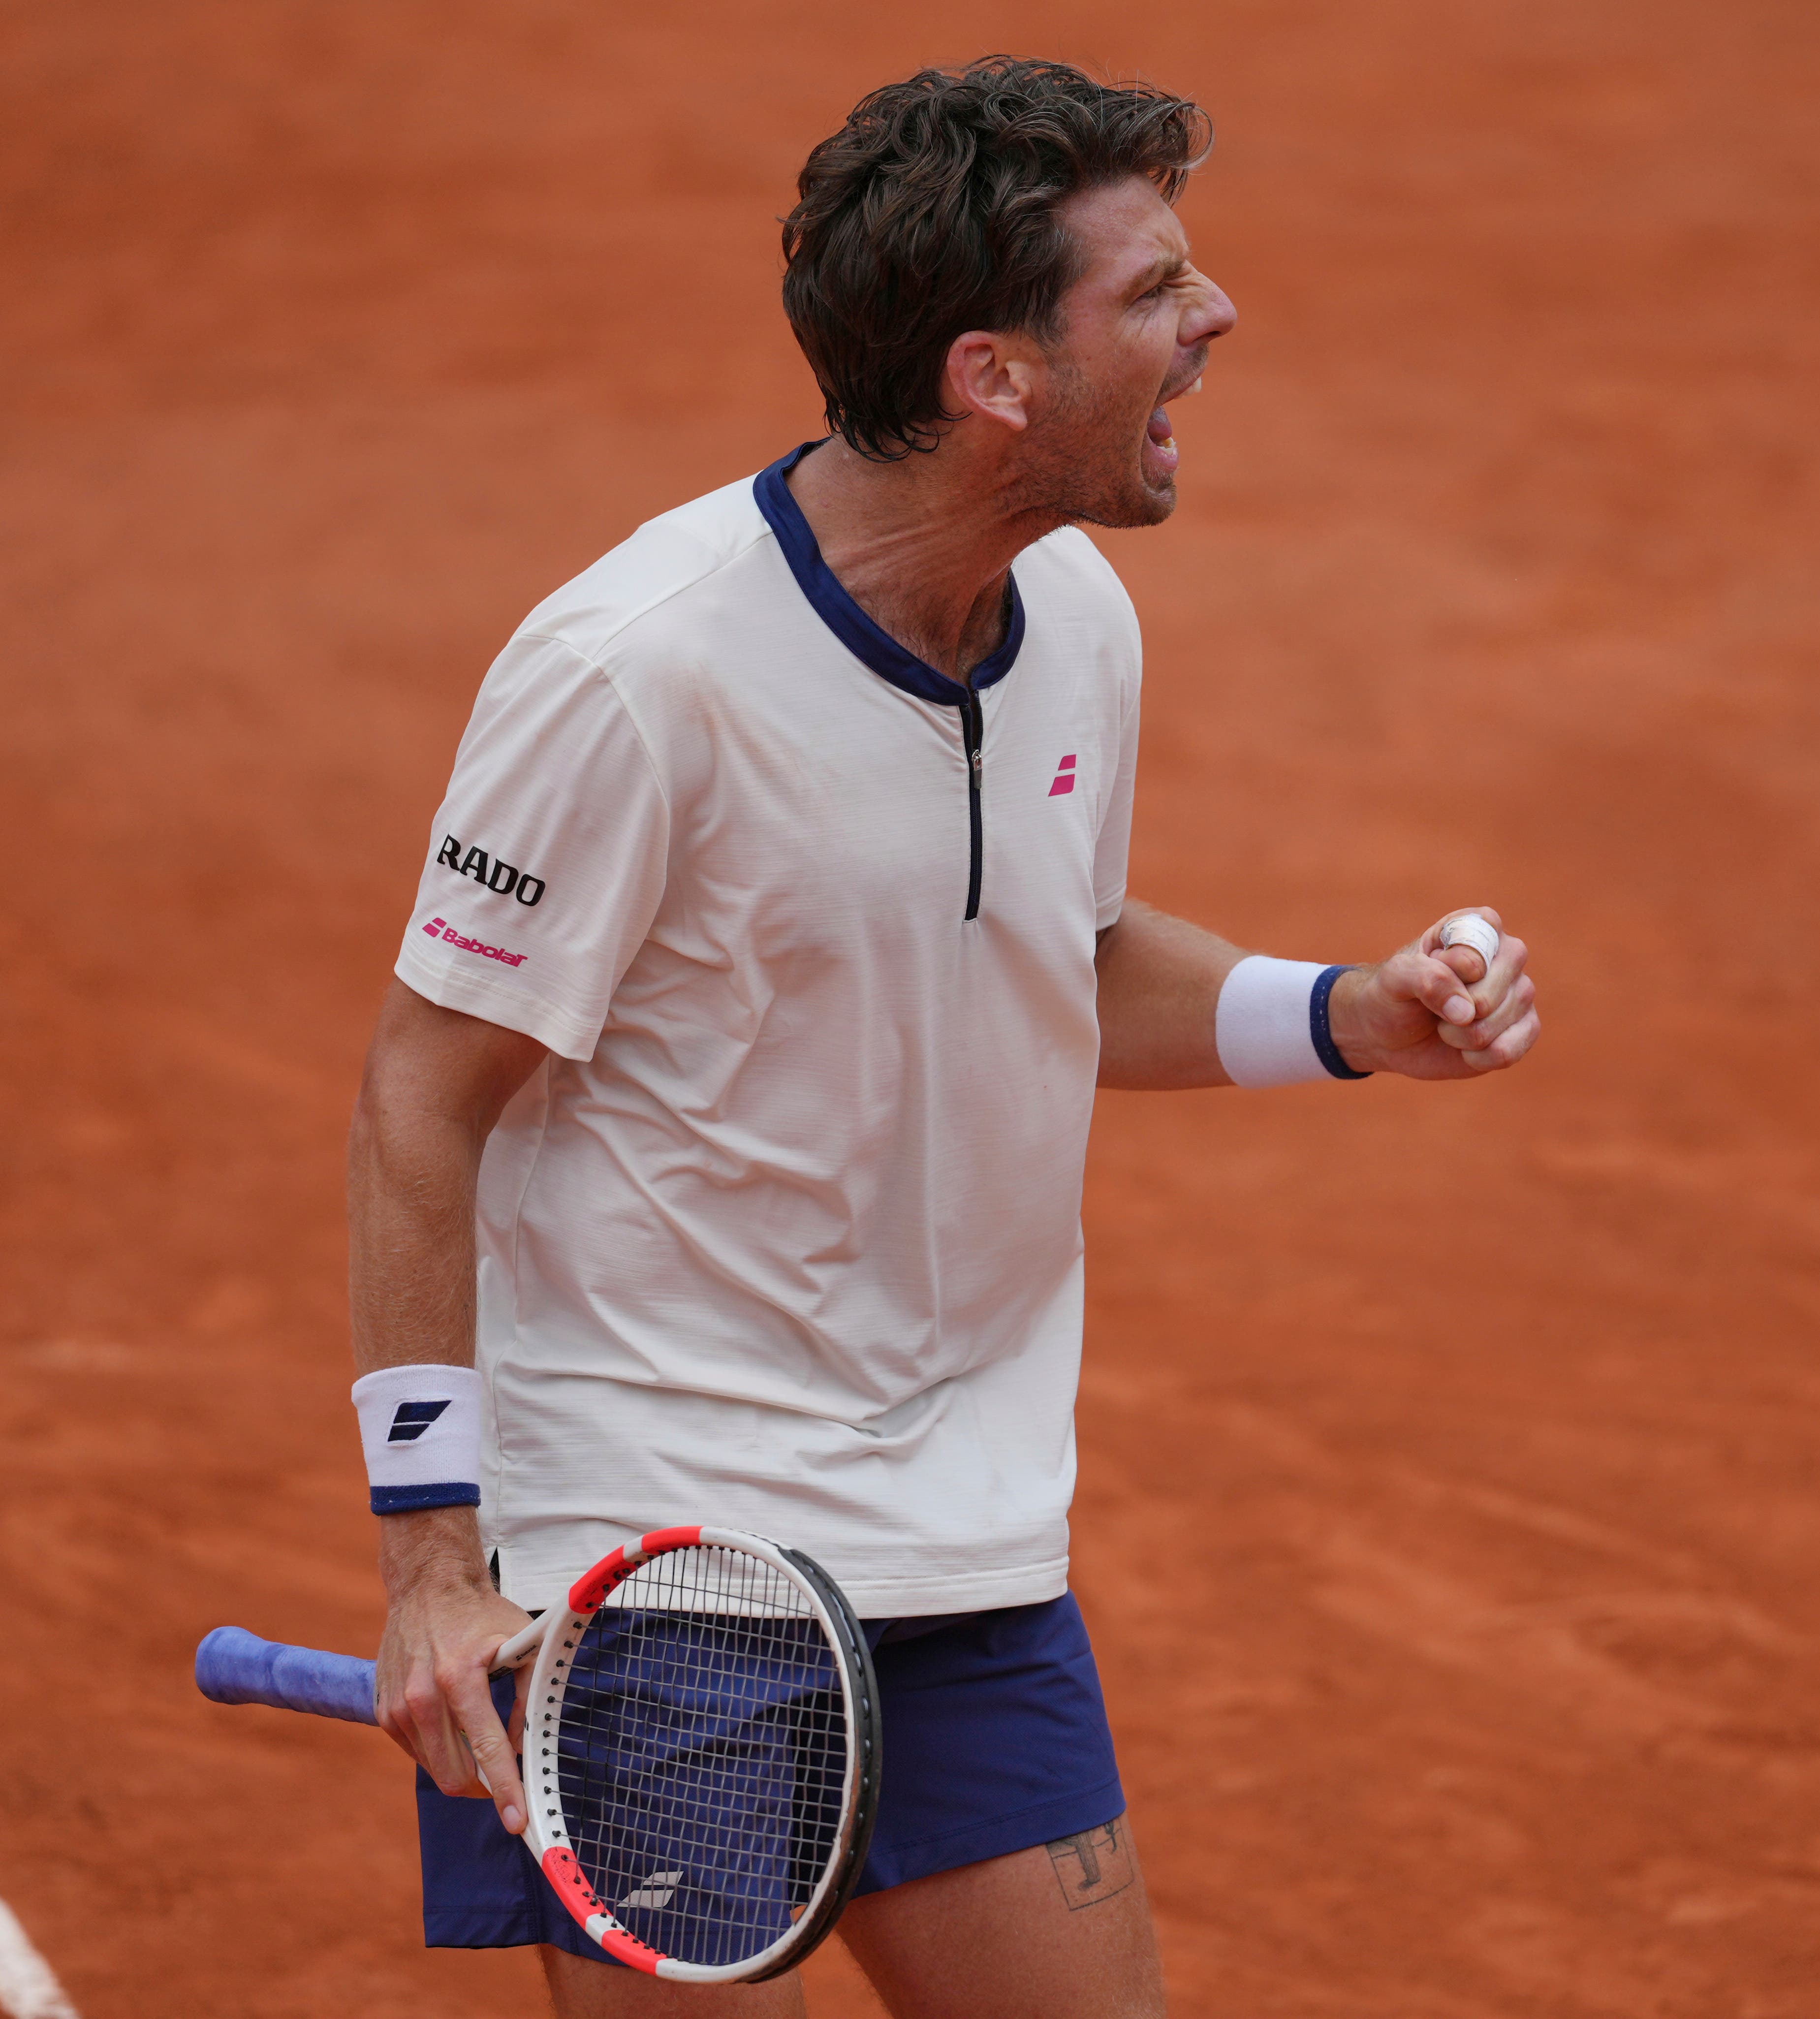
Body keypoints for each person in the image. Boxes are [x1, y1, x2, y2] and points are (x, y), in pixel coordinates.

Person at [346, 58, 1538, 2018]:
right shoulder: (633, 676)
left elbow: (1052, 955)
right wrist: (428, 1562)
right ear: (995, 376)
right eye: (1152, 292)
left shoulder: (1072, 613)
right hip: (661, 1555)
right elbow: (422, 1093)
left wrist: (1346, 1017)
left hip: (963, 1532)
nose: (1216, 315)